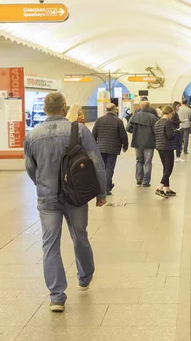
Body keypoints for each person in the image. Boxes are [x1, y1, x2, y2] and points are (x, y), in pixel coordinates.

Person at [23, 92, 107, 312]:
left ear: (44, 109)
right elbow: (96, 161)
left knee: (50, 244)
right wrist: (101, 192)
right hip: (76, 196)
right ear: (64, 107)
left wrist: (42, 185)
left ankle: (57, 296)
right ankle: (85, 276)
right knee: (80, 235)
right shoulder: (78, 130)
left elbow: (31, 168)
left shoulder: (33, 135)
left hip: (47, 197)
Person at [92, 103, 129, 195]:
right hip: (113, 148)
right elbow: (123, 135)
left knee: (103, 168)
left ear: (106, 110)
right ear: (115, 110)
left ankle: (106, 185)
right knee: (109, 168)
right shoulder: (118, 121)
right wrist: (125, 146)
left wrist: (94, 145)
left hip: (100, 148)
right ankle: (106, 188)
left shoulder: (99, 120)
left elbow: (93, 134)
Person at [127, 100, 158, 187]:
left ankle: (139, 178)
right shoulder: (152, 118)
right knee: (148, 162)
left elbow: (128, 128)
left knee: (139, 160)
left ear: (141, 107)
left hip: (137, 142)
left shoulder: (135, 116)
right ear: (149, 107)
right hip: (149, 143)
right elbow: (156, 131)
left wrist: (134, 131)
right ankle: (146, 181)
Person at [154, 106, 177, 198]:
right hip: (167, 147)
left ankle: (167, 189)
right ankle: (159, 188)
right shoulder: (167, 122)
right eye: (171, 114)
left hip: (160, 147)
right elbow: (170, 135)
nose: (171, 116)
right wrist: (177, 132)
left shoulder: (157, 122)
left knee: (165, 168)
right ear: (169, 113)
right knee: (169, 168)